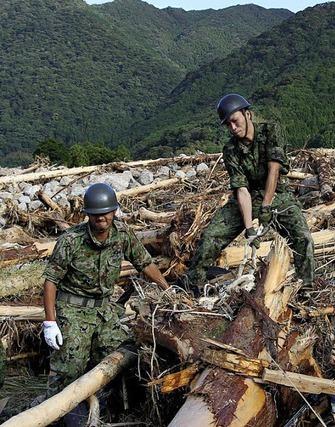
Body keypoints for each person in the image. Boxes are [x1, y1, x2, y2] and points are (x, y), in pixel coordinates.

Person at [42, 183, 169, 402]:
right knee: (69, 370)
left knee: (126, 354)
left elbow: (144, 263)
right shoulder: (71, 241)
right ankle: (47, 413)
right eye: (96, 214)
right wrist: (50, 322)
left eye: (105, 213)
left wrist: (168, 291)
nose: (101, 218)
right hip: (73, 310)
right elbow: (51, 281)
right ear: (88, 215)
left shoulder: (122, 235)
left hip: (104, 311)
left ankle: (110, 402)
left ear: (113, 212)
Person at [187, 93, 315, 286]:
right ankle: (194, 285)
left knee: (303, 238)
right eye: (228, 124)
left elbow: (274, 169)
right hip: (248, 197)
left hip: (277, 194)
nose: (233, 127)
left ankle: (305, 285)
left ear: (248, 115)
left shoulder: (271, 131)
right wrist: (249, 229)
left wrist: (266, 206)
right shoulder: (231, 149)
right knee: (210, 236)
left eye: (235, 121)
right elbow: (241, 189)